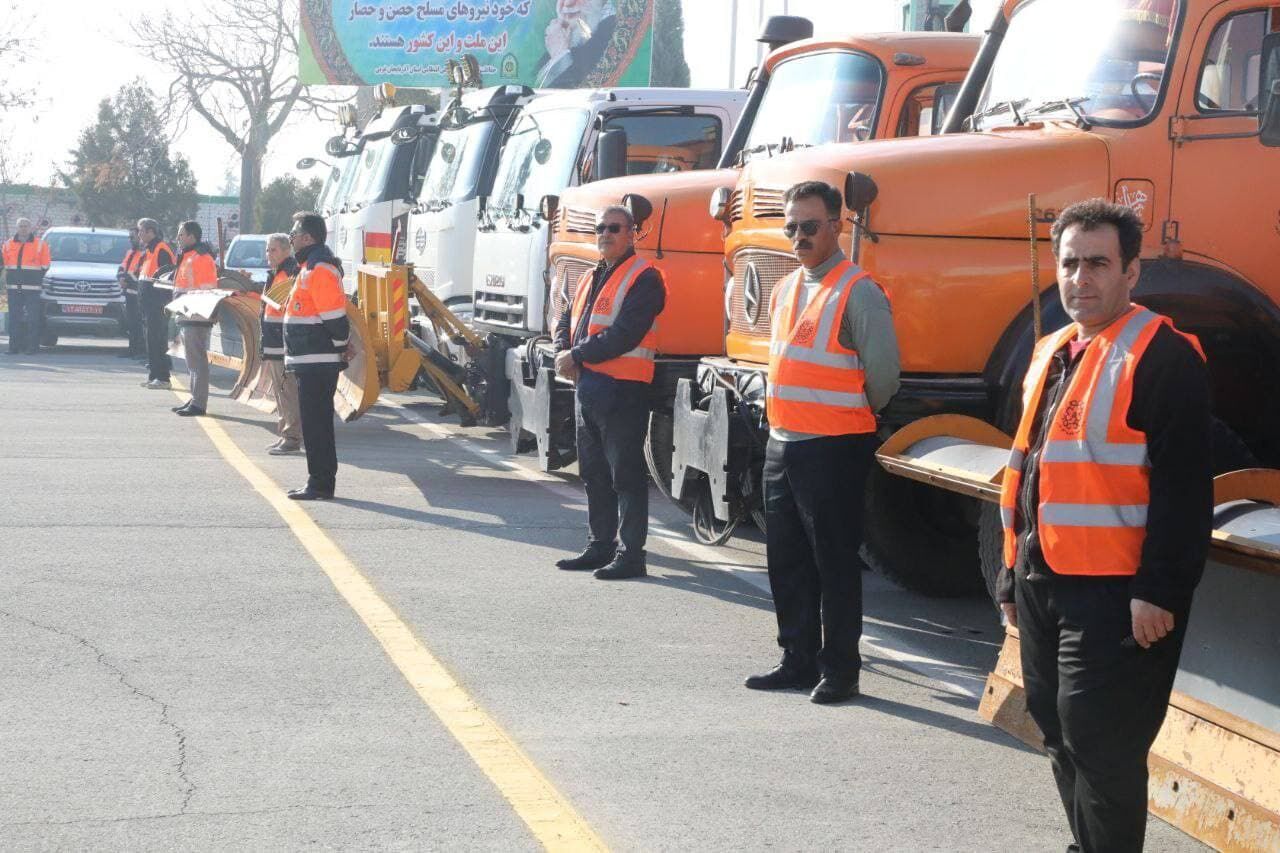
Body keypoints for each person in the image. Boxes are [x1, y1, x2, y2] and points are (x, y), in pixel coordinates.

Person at [996, 199, 1212, 852]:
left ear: (1131, 273)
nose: (1080, 278)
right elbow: (1030, 470)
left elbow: (1184, 488)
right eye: (1069, 263)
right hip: (1043, 576)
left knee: (1101, 738)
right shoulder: (1052, 350)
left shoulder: (1163, 355)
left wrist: (1160, 589)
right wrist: (1011, 571)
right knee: (1055, 725)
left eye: (1097, 263)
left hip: (1116, 590)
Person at [744, 180, 900, 705]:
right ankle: (797, 660)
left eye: (809, 226)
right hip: (784, 442)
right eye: (791, 227)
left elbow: (884, 377)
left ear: (836, 225)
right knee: (786, 560)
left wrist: (848, 415)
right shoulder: (788, 287)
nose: (799, 237)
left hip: (833, 447)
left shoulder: (858, 291)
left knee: (833, 564)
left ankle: (841, 671)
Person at [552, 204, 665, 580]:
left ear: (631, 234)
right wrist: (562, 352)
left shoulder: (645, 277)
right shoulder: (591, 275)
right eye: (600, 228)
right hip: (589, 387)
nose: (605, 234)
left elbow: (626, 333)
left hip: (623, 390)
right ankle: (600, 546)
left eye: (614, 228)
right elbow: (566, 319)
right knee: (594, 474)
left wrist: (576, 355)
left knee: (625, 476)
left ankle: (632, 555)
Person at [283, 212, 350, 501]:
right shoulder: (309, 267)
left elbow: (335, 318)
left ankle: (320, 483)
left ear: (308, 238)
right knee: (314, 424)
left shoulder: (319, 269)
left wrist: (341, 345)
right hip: (310, 359)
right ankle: (319, 481)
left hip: (317, 360)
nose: (291, 239)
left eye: (294, 234)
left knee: (316, 425)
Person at [170, 220, 219, 417]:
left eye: (181, 234)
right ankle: (195, 398)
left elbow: (207, 289)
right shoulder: (189, 256)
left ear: (192, 236)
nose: (178, 238)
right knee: (192, 361)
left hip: (196, 315)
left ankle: (198, 403)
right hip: (187, 314)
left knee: (197, 361)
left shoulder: (201, 258)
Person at [261, 232, 303, 454]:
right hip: (273, 342)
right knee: (280, 393)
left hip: (281, 343)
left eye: (273, 249)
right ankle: (285, 434)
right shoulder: (277, 273)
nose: (269, 254)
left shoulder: (289, 273)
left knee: (287, 393)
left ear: (287, 250)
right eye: (267, 250)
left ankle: (292, 438)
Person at [535, 0, 618, 88]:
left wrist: (559, 55)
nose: (567, 3)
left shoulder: (615, 35)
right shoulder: (566, 37)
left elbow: (573, 92)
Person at [135, 218, 177, 390]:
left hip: (157, 305)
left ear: (151, 232)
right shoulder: (149, 250)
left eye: (141, 231)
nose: (139, 234)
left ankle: (163, 377)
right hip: (149, 305)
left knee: (158, 341)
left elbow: (168, 279)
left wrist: (160, 303)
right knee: (152, 341)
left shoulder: (161, 249)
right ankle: (154, 375)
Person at [2, 218, 51, 355]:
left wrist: (35, 278)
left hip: (32, 288)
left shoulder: (40, 244)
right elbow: (4, 264)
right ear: (16, 228)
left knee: (33, 319)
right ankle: (13, 348)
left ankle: (32, 348)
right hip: (13, 287)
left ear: (30, 228)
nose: (23, 228)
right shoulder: (8, 244)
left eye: (26, 226)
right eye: (21, 226)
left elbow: (46, 265)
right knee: (14, 319)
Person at [117, 227, 146, 359]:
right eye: (129, 237)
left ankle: (140, 350)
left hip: (139, 295)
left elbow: (140, 274)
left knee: (139, 324)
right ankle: (132, 349)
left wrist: (127, 281)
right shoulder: (130, 252)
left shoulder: (145, 254)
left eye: (132, 237)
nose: (130, 240)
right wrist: (120, 278)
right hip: (129, 293)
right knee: (131, 323)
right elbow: (122, 268)